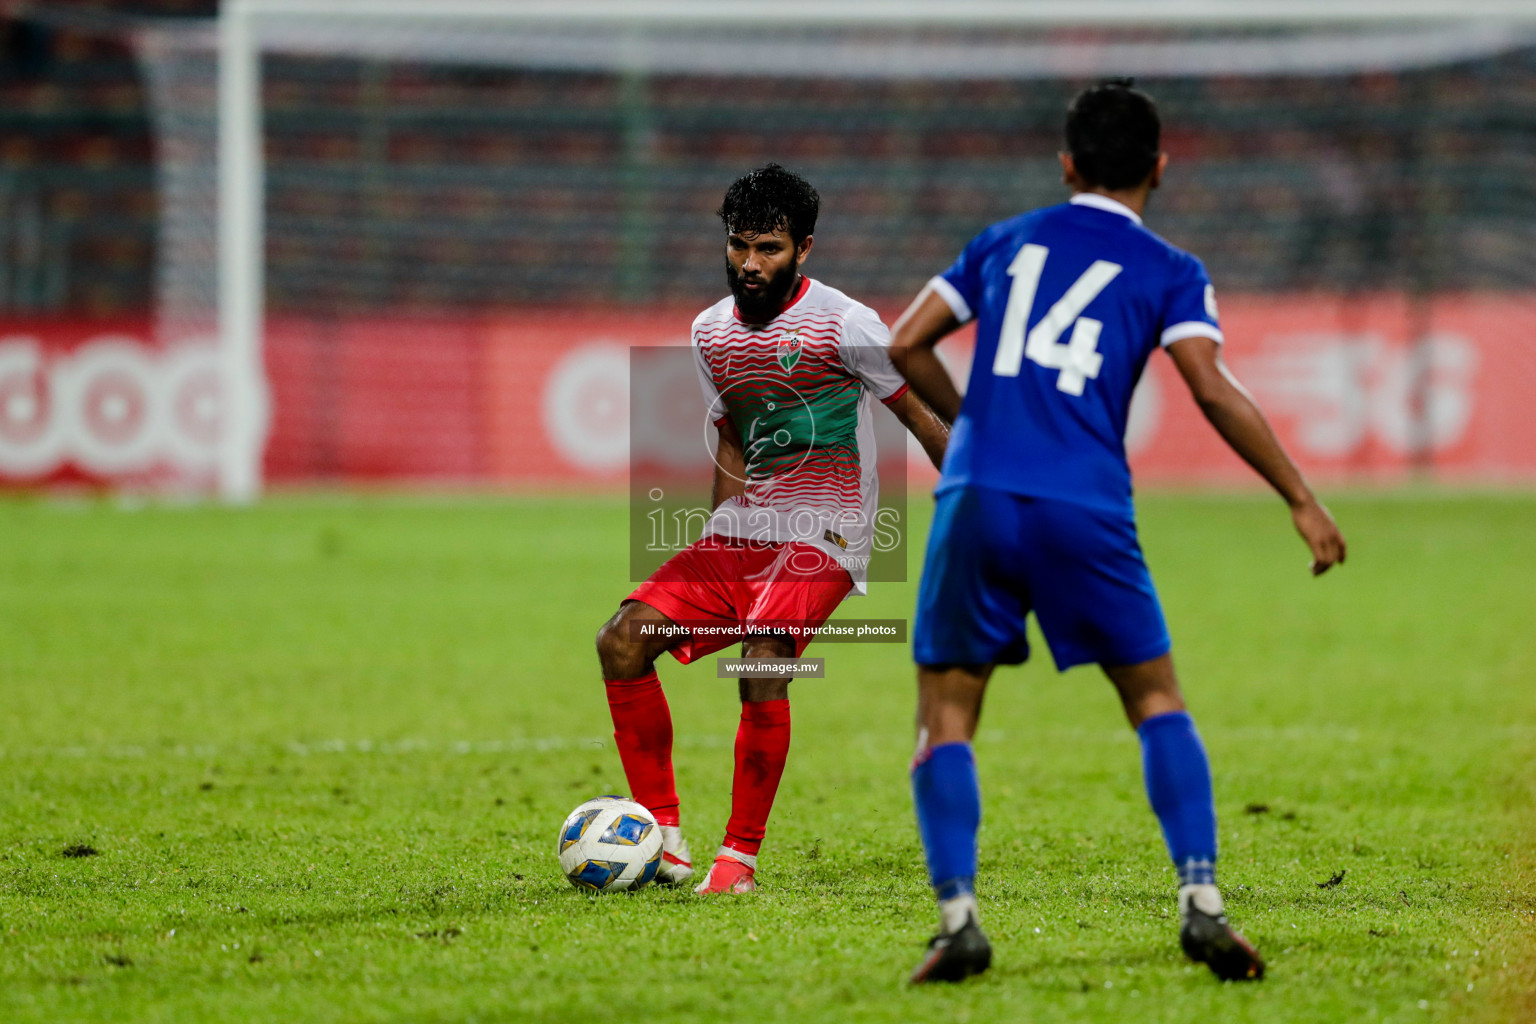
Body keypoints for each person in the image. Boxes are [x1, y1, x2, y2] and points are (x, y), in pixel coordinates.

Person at [890, 81, 1347, 983]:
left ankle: (958, 922)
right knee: (1154, 699)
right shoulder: (1172, 269)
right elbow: (1212, 388)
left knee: (946, 714)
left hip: (977, 496)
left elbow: (906, 343)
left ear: (1066, 165)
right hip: (1086, 505)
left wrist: (975, 426)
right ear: (1161, 169)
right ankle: (1203, 903)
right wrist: (1298, 494)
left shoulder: (1005, 241)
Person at [596, 164, 949, 895]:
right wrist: (721, 531)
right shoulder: (708, 331)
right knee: (623, 642)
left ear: (804, 248)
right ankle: (664, 842)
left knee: (763, 659)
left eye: (769, 248)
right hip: (747, 528)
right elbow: (731, 435)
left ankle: (738, 860)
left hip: (832, 530)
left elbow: (917, 417)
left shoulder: (847, 324)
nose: (750, 264)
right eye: (738, 246)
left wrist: (981, 500)